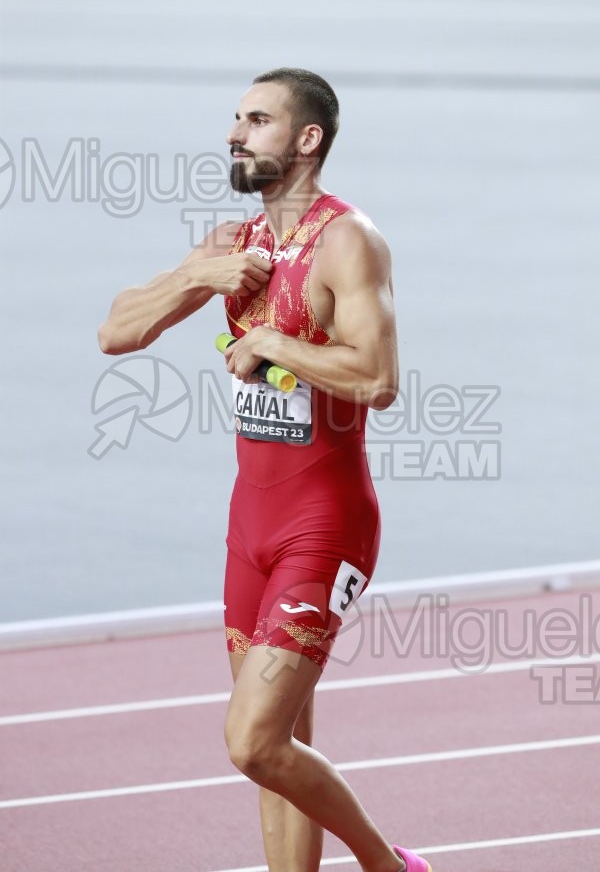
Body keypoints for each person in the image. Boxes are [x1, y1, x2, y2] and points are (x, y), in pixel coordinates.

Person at [98, 68, 431, 872]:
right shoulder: (233, 243)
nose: (234, 134)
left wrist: (274, 342)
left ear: (306, 139)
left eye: (256, 119)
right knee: (280, 753)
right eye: (235, 118)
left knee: (251, 740)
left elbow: (379, 381)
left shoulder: (349, 239)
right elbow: (115, 334)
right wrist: (192, 278)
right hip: (249, 528)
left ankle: (389, 866)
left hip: (326, 524)